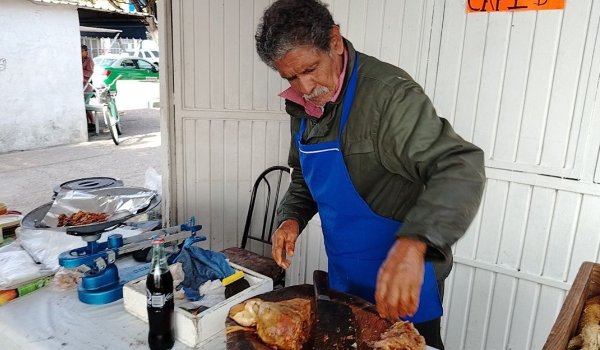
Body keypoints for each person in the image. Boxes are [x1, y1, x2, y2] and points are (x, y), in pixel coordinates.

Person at [255, 1, 486, 348]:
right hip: (345, 279)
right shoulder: (303, 106)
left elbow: (460, 166)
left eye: (311, 69)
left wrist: (414, 243)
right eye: (290, 77)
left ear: (334, 41)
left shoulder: (389, 96)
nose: (304, 87)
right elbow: (304, 177)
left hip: (404, 283)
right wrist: (290, 218)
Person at [81, 45, 95, 132]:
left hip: (87, 85)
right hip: (80, 85)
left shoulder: (89, 60)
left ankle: (92, 123)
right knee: (82, 106)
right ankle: (87, 123)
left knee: (86, 105)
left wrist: (80, 71)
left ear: (86, 52)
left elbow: (90, 73)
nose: (80, 53)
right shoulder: (78, 60)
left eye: (82, 51)